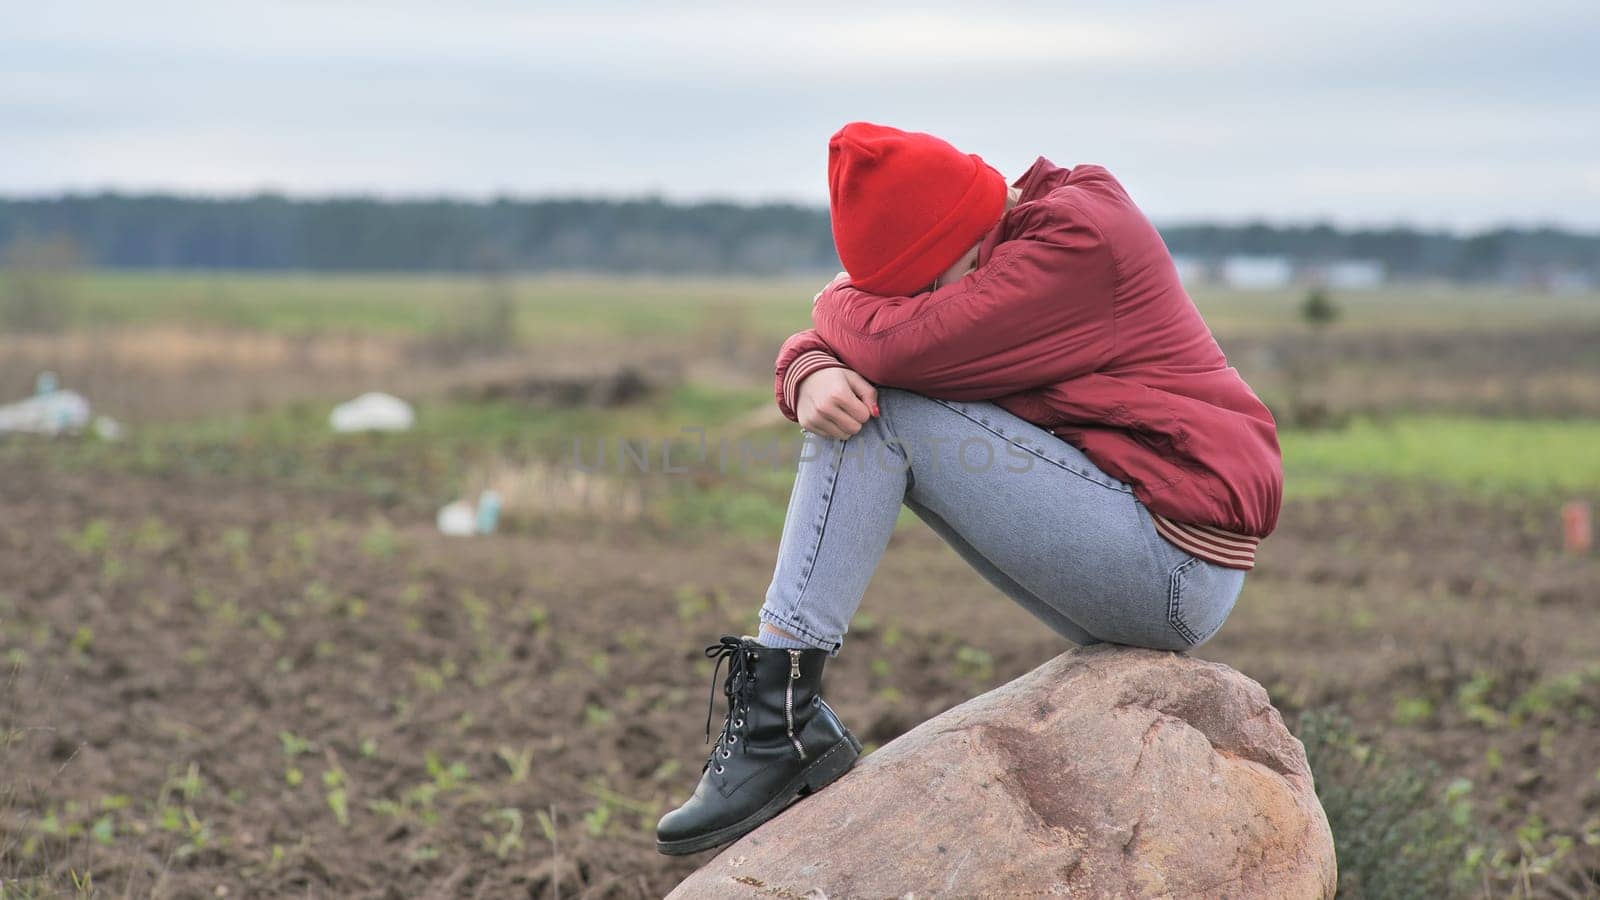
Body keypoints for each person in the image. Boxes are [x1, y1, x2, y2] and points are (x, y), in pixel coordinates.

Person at [655, 122, 1282, 856]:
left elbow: (895, 346)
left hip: (1173, 564)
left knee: (884, 416)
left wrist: (831, 312)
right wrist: (811, 367)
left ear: (957, 235)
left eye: (922, 286)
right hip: (1132, 531)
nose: (918, 301)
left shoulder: (1075, 244)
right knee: (865, 397)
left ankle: (780, 721)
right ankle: (782, 713)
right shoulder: (1019, 235)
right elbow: (882, 343)